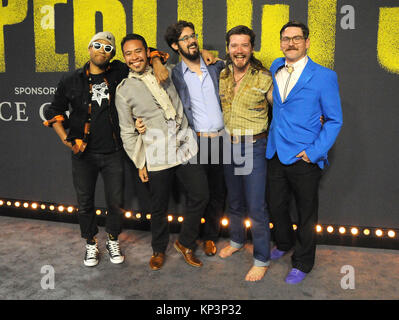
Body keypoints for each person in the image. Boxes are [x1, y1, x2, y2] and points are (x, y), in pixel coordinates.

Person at [43, 31, 168, 267]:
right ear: (89, 48)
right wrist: (65, 139)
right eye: (98, 46)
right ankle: (90, 243)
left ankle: (112, 239)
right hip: (83, 153)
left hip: (114, 152)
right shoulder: (71, 79)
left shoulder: (120, 71)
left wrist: (160, 61)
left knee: (115, 202)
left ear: (112, 55)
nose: (102, 50)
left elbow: (147, 53)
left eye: (108, 48)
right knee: (85, 202)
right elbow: (53, 110)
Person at [115, 33, 209, 271]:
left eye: (139, 51)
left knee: (200, 195)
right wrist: (140, 162)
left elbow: (189, 61)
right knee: (158, 207)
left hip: (185, 145)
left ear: (148, 52)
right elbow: (127, 131)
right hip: (156, 153)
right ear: (124, 58)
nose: (134, 57)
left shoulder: (166, 70)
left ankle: (185, 243)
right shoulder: (123, 90)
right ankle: (158, 249)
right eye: (128, 53)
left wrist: (157, 61)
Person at [266, 21, 343, 284]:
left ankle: (303, 262)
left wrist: (314, 152)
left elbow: (334, 120)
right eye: (286, 39)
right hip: (276, 152)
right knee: (275, 206)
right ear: (280, 43)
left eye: (296, 38)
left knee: (306, 213)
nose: (291, 43)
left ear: (307, 42)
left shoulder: (324, 76)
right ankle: (284, 242)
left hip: (304, 156)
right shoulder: (276, 66)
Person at [161, 20, 226, 256]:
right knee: (199, 194)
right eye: (185, 39)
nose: (191, 41)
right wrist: (158, 59)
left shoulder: (216, 66)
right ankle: (187, 240)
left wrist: (209, 54)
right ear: (175, 46)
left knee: (218, 193)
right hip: (194, 141)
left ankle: (210, 237)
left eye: (193, 36)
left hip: (221, 140)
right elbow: (147, 64)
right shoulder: (173, 75)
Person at [218, 25, 273, 282]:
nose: (239, 50)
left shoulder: (265, 77)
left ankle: (262, 259)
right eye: (234, 45)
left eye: (244, 45)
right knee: (235, 200)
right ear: (228, 48)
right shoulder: (223, 73)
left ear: (252, 48)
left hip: (254, 146)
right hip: (228, 145)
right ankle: (238, 239)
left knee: (256, 206)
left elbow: (284, 110)